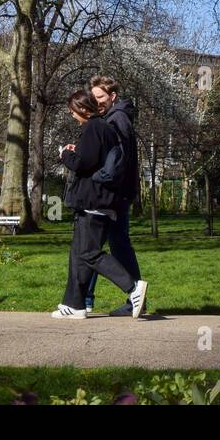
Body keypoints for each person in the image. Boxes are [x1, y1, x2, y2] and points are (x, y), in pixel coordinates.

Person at [54, 90, 147, 320]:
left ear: (82, 109)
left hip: (93, 201)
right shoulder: (103, 128)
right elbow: (93, 158)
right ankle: (74, 304)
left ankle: (133, 288)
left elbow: (83, 164)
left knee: (90, 253)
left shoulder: (93, 128)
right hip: (97, 200)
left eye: (73, 110)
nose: (71, 114)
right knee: (78, 254)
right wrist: (77, 152)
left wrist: (65, 154)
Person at [82, 75, 143, 316]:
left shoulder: (117, 120)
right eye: (93, 97)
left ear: (112, 97)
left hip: (114, 195)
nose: (96, 102)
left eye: (100, 97)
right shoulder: (115, 117)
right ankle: (87, 298)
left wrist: (95, 177)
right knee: (104, 247)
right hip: (117, 194)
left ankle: (132, 295)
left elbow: (116, 162)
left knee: (94, 248)